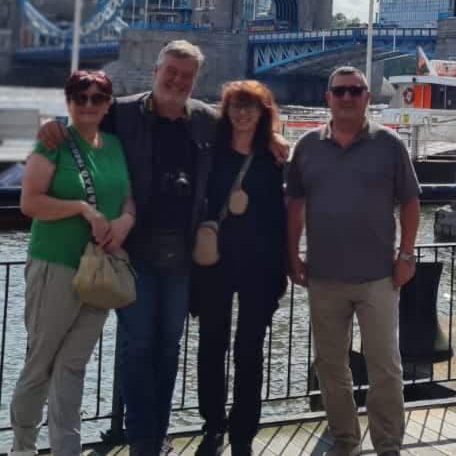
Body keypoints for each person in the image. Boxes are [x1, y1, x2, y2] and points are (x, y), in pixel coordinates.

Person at [35, 42, 286, 456]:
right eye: (171, 71)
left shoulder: (205, 120)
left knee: (169, 347)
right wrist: (53, 126)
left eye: (186, 75)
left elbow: (246, 129)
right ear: (155, 71)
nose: (177, 81)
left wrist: (273, 134)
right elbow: (83, 123)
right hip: (134, 251)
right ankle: (141, 439)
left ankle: (160, 433)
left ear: (195, 80)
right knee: (137, 345)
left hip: (185, 254)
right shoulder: (122, 113)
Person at [287, 67, 422, 456]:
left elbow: (410, 202)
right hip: (323, 275)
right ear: (328, 97)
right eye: (340, 91)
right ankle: (346, 440)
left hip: (378, 276)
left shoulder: (389, 144)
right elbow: (294, 206)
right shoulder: (307, 147)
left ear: (367, 97)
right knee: (330, 365)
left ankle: (388, 445)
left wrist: (406, 254)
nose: (347, 97)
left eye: (355, 90)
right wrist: (292, 254)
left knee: (385, 366)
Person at [11, 70, 133, 456]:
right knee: (41, 363)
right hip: (56, 264)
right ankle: (23, 447)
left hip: (100, 270)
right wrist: (82, 209)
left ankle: (67, 449)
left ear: (109, 104)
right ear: (68, 102)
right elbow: (30, 202)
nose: (89, 104)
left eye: (98, 98)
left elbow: (127, 198)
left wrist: (125, 222)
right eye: (81, 97)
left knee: (73, 366)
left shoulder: (115, 144)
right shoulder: (54, 142)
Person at [192, 80, 289, 456]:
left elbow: (281, 216)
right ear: (226, 110)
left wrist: (282, 267)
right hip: (214, 263)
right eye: (236, 106)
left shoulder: (273, 157)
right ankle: (213, 425)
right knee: (211, 346)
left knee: (250, 349)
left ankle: (243, 431)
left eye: (251, 107)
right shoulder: (211, 151)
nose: (243, 113)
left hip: (259, 264)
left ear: (264, 113)